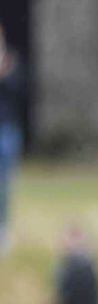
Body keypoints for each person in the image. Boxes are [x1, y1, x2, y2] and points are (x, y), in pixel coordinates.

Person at [0, 23, 23, 255]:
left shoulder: (11, 63)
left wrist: (6, 75)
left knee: (5, 182)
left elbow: (20, 92)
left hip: (6, 129)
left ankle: (3, 228)